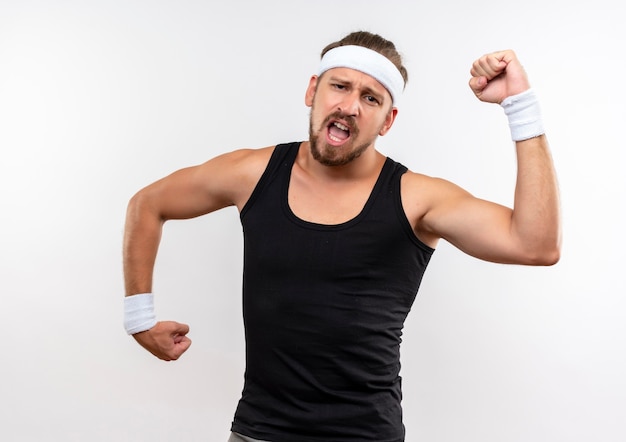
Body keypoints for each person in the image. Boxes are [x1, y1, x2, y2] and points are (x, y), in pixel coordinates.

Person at [122, 31, 561, 442]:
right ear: (313, 91)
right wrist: (139, 319)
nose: (350, 106)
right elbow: (148, 204)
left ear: (387, 121)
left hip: (366, 434)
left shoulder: (416, 198)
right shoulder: (252, 174)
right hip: (259, 430)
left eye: (370, 98)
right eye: (340, 87)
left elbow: (536, 245)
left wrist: (519, 104)